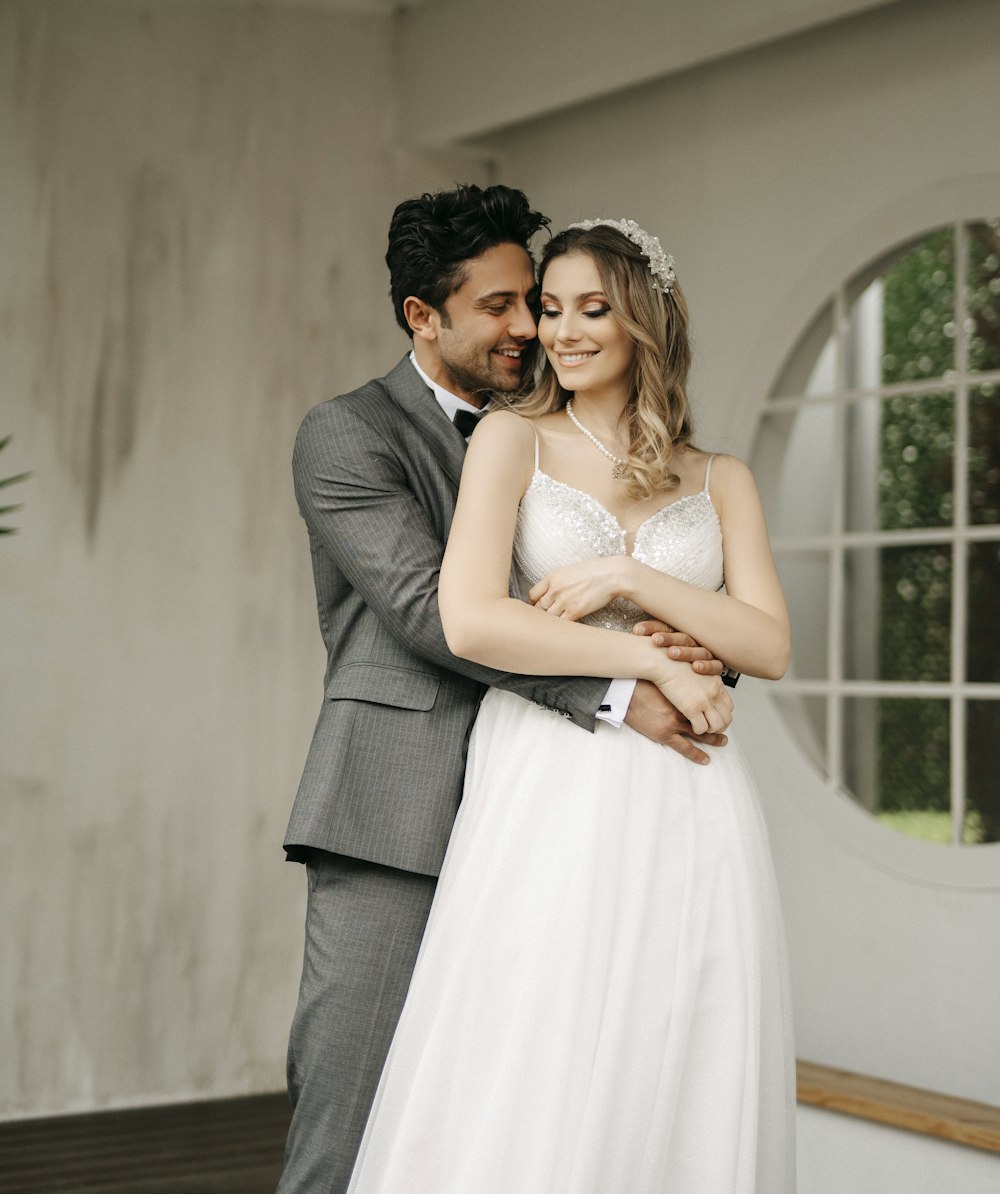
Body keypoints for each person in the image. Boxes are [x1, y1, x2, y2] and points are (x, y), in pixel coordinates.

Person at [278, 188, 730, 1194]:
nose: (529, 325)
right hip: (398, 811)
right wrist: (619, 689)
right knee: (346, 1114)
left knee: (513, 1115)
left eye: (536, 299)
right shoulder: (348, 435)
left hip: (547, 820)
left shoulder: (567, 428)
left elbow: (660, 565)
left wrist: (692, 651)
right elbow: (427, 609)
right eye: (499, 305)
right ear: (420, 316)